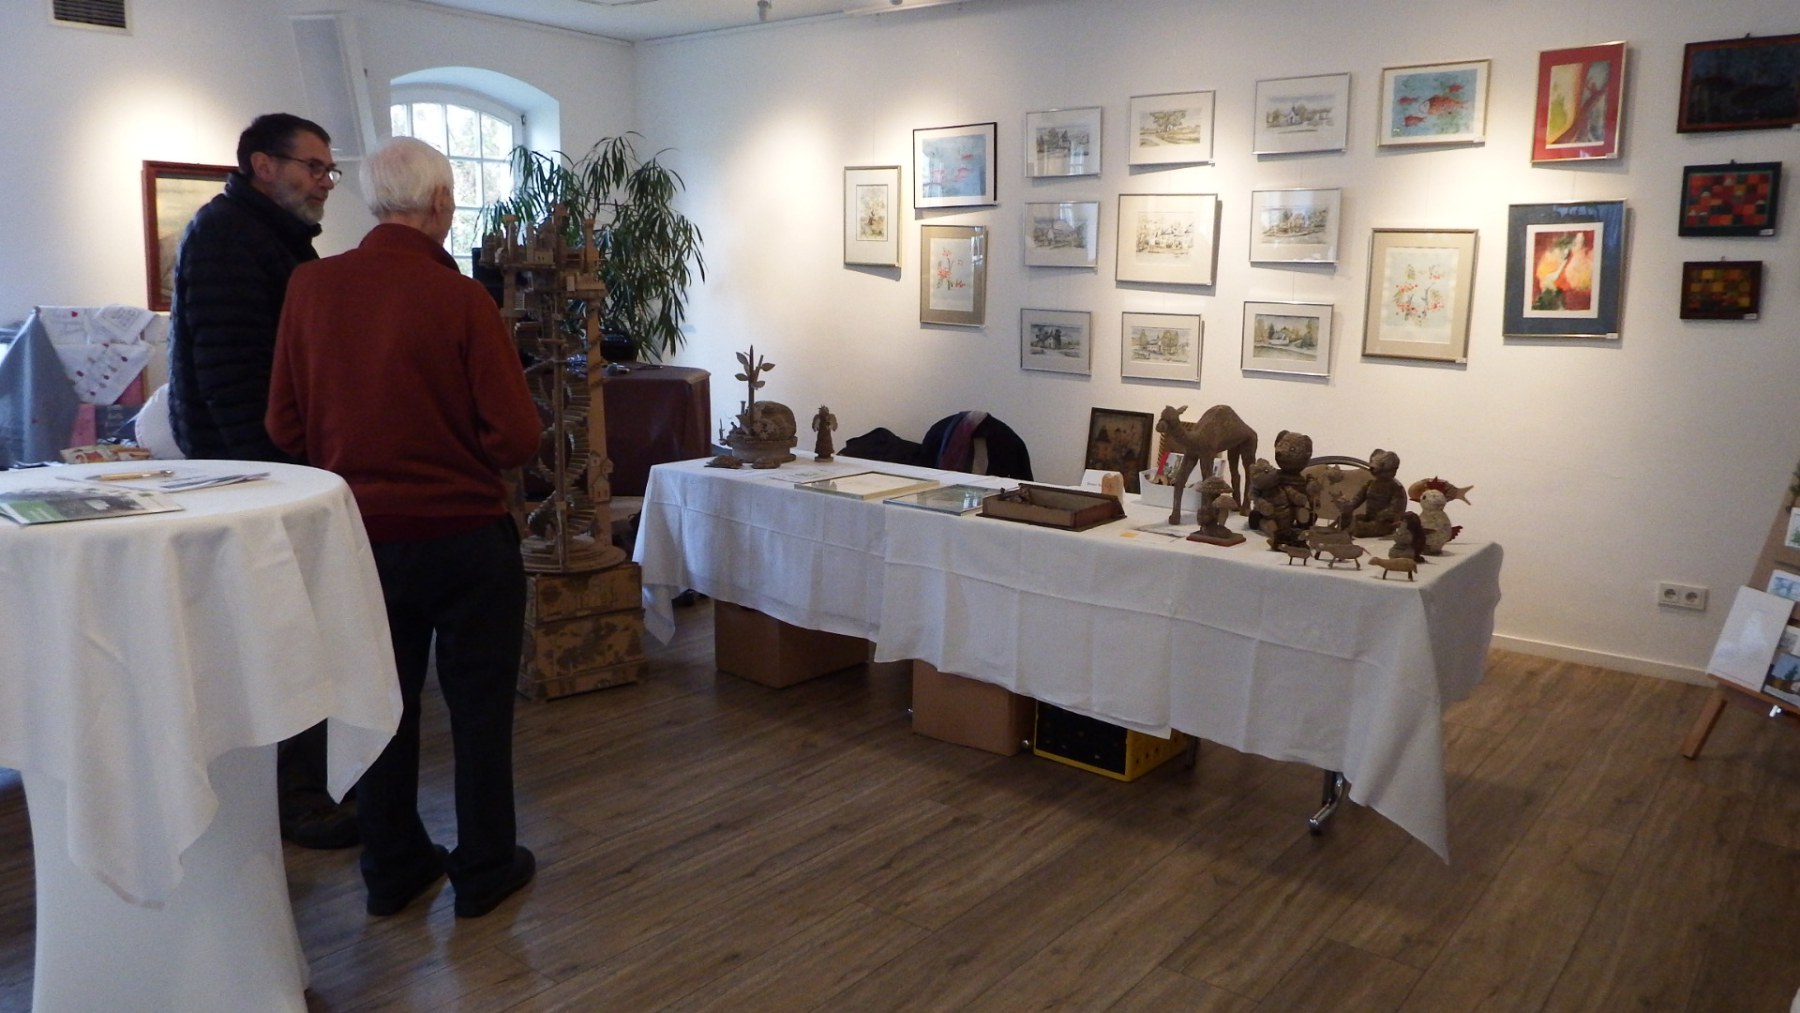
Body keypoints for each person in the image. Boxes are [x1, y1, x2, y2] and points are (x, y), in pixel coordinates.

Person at [266, 136, 542, 919]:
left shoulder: (311, 287)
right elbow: (516, 436)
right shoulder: (462, 300)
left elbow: (283, 424)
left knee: (377, 705)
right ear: (442, 204)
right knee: (479, 708)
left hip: (361, 541)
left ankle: (392, 866)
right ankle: (485, 865)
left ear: (372, 201)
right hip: (465, 538)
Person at [165, 112, 356, 849]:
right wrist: (275, 477)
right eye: (314, 166)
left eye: (329, 169)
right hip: (252, 477)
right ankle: (297, 799)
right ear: (261, 165)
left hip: (260, 471)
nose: (325, 182)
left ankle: (304, 788)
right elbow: (232, 377)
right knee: (280, 636)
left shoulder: (263, 234)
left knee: (288, 632)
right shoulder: (229, 236)